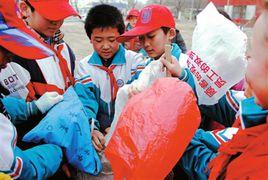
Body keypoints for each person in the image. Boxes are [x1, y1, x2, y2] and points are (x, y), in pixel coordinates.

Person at [160, 0, 268, 178]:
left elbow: (215, 170)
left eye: (254, 52)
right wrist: (184, 76)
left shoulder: (257, 163)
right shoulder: (256, 107)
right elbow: (223, 103)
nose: (247, 56)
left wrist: (176, 135)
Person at [0, 2, 64, 178]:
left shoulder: (64, 50)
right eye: (5, 49)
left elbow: (1, 105)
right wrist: (48, 157)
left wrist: (32, 107)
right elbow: (15, 169)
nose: (10, 57)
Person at [75, 4, 144, 152]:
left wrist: (119, 128)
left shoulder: (135, 62)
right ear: (90, 38)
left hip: (131, 132)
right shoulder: (84, 67)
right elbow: (85, 102)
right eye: (98, 40)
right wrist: (93, 129)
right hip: (101, 134)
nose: (105, 46)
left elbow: (140, 100)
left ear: (121, 36)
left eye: (112, 40)